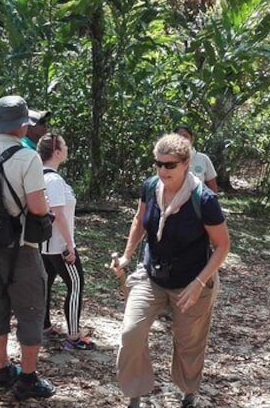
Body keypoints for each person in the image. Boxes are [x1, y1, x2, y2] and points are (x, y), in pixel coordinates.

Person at [112, 133, 230, 408]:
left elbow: (223, 246)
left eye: (170, 165)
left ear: (186, 163)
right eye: (158, 163)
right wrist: (128, 255)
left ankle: (189, 392)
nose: (162, 170)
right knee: (131, 333)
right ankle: (135, 393)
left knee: (189, 341)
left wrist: (200, 282)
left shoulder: (204, 199)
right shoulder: (150, 186)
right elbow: (140, 220)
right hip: (152, 275)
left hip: (192, 280)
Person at [0, 95, 55, 400]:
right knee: (31, 309)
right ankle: (29, 377)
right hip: (22, 246)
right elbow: (36, 207)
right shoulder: (27, 158)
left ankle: (3, 370)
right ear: (22, 125)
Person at [37, 133, 94, 351]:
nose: (68, 148)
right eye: (65, 145)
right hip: (58, 246)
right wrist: (70, 247)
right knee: (76, 285)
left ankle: (44, 326)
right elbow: (58, 215)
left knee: (46, 284)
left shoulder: (39, 176)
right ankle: (73, 336)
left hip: (44, 246)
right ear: (57, 152)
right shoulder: (53, 179)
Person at [173, 125, 218, 192]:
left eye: (185, 136)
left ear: (192, 138)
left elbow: (212, 187)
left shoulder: (203, 159)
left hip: (198, 201)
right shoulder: (168, 160)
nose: (181, 139)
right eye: (178, 137)